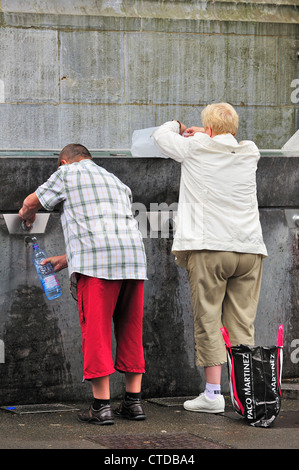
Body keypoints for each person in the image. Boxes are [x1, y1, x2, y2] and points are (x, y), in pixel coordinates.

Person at [19, 143, 147, 425]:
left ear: (64, 162)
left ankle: (101, 407)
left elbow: (31, 202)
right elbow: (107, 228)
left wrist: (26, 216)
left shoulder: (68, 173)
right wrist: (67, 259)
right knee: (130, 327)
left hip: (97, 268)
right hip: (134, 260)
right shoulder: (116, 181)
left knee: (96, 330)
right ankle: (134, 403)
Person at [153, 103, 267, 414]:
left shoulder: (194, 148)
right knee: (242, 323)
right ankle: (248, 397)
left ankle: (213, 395)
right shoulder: (250, 152)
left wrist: (178, 124)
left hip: (210, 247)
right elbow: (227, 138)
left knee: (209, 320)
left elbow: (160, 137)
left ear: (210, 130)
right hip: (249, 249)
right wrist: (211, 131)